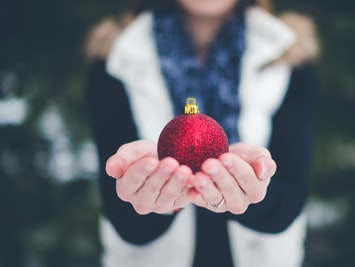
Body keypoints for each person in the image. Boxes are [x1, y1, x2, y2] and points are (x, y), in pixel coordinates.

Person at [84, 0, 319, 266]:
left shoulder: (289, 53)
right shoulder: (116, 56)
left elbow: (291, 195)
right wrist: (152, 195)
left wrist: (253, 192)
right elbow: (125, 220)